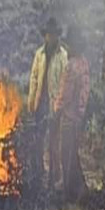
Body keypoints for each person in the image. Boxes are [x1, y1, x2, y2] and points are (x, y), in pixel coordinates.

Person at [28, 17, 68, 188]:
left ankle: (54, 178)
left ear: (57, 36)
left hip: (54, 105)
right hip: (40, 103)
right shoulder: (39, 54)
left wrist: (60, 106)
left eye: (53, 35)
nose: (50, 38)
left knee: (54, 142)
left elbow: (64, 83)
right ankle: (38, 174)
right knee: (37, 140)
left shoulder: (63, 56)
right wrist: (31, 102)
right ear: (45, 36)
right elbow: (34, 78)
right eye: (48, 35)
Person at [54, 27, 89, 202]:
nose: (66, 49)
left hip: (69, 117)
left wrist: (55, 110)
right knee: (72, 153)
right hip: (79, 116)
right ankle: (79, 188)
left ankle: (70, 193)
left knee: (65, 153)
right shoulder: (84, 63)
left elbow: (64, 95)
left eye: (68, 46)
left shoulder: (71, 66)